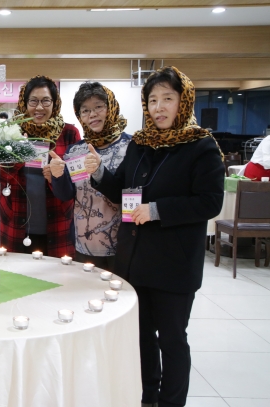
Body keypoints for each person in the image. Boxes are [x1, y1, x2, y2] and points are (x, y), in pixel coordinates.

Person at [85, 67, 224, 407]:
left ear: (183, 102)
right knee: (141, 336)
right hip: (135, 260)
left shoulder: (201, 146)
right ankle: (147, 397)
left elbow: (210, 202)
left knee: (172, 340)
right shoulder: (141, 144)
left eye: (167, 99)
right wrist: (98, 171)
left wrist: (157, 209)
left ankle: (171, 402)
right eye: (152, 100)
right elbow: (122, 191)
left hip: (174, 263)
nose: (159, 107)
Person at [49, 83, 131, 272]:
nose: (92, 114)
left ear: (111, 108)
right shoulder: (75, 150)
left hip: (122, 244)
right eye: (85, 110)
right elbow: (66, 195)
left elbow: (129, 193)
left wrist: (100, 172)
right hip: (84, 242)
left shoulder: (131, 146)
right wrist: (57, 175)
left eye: (98, 107)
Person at [0, 75, 80, 257]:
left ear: (55, 103)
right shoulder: (11, 133)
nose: (39, 107)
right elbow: (0, 177)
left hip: (58, 221)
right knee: (14, 273)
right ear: (24, 103)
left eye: (46, 101)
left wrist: (58, 176)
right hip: (15, 220)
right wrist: (20, 154)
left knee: (57, 274)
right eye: (33, 101)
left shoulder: (68, 133)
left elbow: (77, 181)